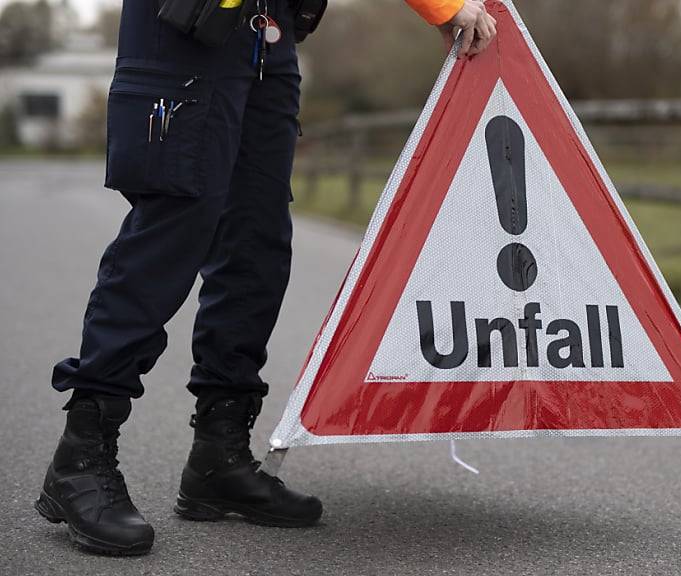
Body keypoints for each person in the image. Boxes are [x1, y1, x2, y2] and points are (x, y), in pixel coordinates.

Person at [34, 0, 497, 557]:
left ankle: (219, 455)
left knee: (257, 242)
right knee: (171, 233)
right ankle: (82, 454)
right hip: (189, 25)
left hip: (266, 34)